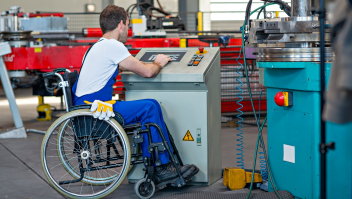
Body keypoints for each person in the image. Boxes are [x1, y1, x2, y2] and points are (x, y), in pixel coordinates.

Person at [71, 5, 198, 188]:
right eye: (128, 25)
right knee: (150, 107)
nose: (128, 31)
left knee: (147, 107)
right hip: (95, 111)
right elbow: (147, 73)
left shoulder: (96, 47)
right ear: (121, 24)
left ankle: (162, 163)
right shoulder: (113, 46)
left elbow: (119, 66)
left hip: (87, 109)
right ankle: (160, 167)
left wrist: (138, 64)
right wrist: (158, 63)